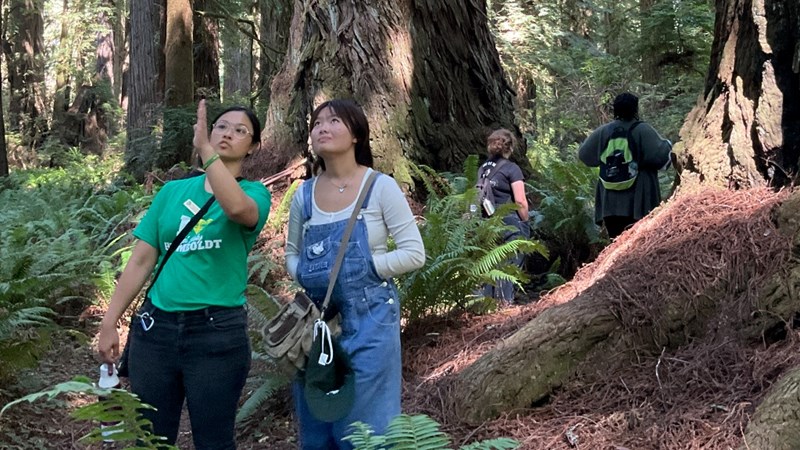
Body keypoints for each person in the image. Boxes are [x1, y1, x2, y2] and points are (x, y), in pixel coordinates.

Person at [97, 100, 272, 449]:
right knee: (152, 438)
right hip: (155, 332)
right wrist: (109, 320)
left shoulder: (255, 194)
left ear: (252, 147)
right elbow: (141, 261)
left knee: (214, 440)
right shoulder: (172, 192)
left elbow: (236, 209)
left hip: (217, 334)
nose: (228, 134)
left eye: (240, 131)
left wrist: (207, 153)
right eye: (221, 126)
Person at [285, 99, 425, 449]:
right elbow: (292, 253)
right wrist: (304, 274)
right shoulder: (304, 195)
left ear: (356, 135)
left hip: (371, 318)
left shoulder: (380, 187)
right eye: (317, 123)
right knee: (317, 415)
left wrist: (370, 268)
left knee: (368, 425)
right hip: (318, 324)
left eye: (334, 121)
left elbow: (414, 252)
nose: (322, 128)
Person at [578, 92, 672, 238]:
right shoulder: (643, 130)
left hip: (610, 202)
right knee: (639, 240)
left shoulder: (604, 131)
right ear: (635, 109)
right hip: (639, 200)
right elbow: (663, 156)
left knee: (616, 241)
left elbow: (584, 155)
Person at [477, 128, 530, 303]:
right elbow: (520, 201)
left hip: (487, 223)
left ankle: (487, 305)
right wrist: (525, 221)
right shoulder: (511, 169)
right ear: (510, 148)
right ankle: (505, 304)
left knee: (490, 265)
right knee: (510, 265)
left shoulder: (483, 169)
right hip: (508, 222)